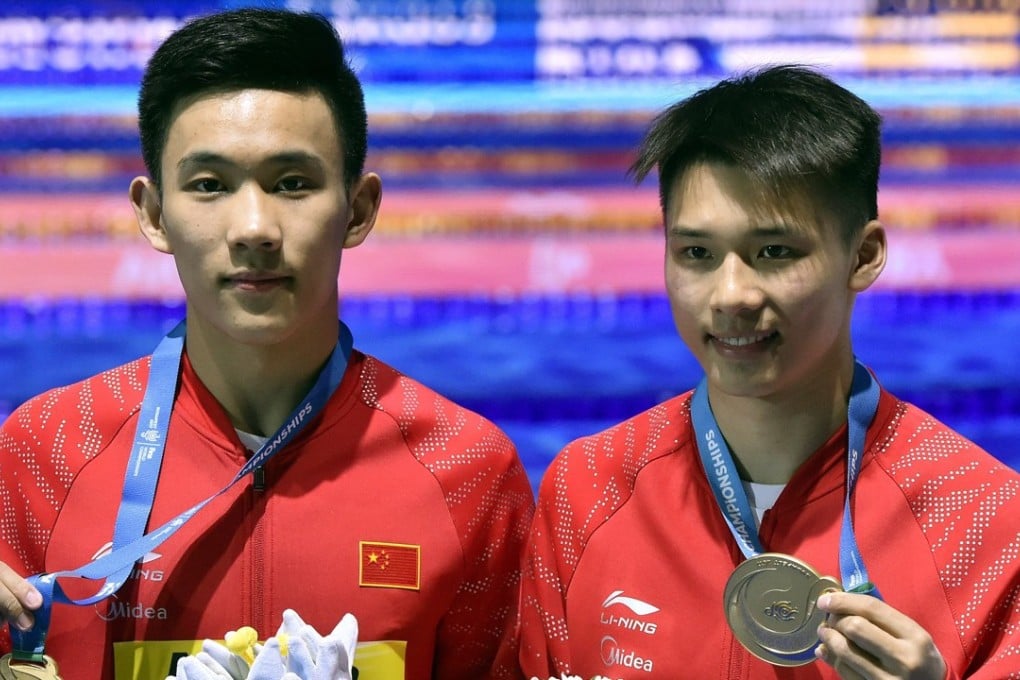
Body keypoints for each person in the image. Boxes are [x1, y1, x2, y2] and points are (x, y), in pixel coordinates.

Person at [0, 8, 534, 680]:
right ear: (154, 214)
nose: (254, 227)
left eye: (292, 184)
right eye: (209, 186)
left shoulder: (466, 472)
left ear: (359, 209)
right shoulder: (47, 451)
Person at [518, 65, 1020, 679]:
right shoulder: (589, 487)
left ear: (862, 256)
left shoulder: (986, 520)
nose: (730, 294)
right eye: (696, 253)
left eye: (774, 252)